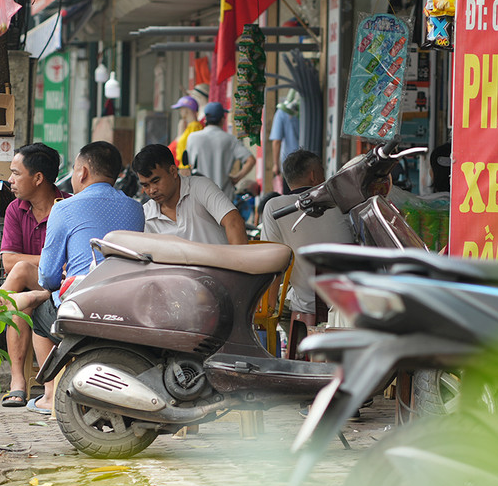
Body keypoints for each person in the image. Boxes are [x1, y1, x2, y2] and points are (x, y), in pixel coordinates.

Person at [31, 142, 144, 399]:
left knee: (39, 314)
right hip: (126, 307)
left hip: (81, 309)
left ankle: (50, 396)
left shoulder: (63, 207)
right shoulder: (136, 209)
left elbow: (47, 276)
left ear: (81, 173)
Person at [260, 149, 354, 346]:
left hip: (309, 306)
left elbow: (271, 263)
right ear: (314, 176)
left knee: (282, 309)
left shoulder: (275, 207)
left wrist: (268, 313)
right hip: (349, 300)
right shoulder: (341, 202)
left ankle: (299, 352)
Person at [0, 143, 65, 409]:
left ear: (38, 178)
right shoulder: (16, 209)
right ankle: (18, 383)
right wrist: (49, 261)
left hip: (61, 287)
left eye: (16, 173)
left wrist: (39, 264)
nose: (10, 180)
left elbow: (69, 264)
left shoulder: (67, 206)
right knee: (18, 302)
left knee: (22, 271)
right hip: (31, 286)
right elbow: (7, 261)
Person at [132, 144, 246, 245]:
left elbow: (234, 222)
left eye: (156, 181)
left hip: (219, 268)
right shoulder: (146, 215)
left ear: (173, 171)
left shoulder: (201, 187)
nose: (152, 190)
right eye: (145, 185)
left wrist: (239, 265)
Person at [184, 101, 254, 197]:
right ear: (222, 119)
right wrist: (237, 178)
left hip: (199, 196)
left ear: (205, 120)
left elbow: (188, 166)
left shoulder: (192, 138)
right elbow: (251, 160)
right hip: (223, 198)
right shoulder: (230, 140)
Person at [267, 91, 302, 194]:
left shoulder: (282, 112)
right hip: (308, 162)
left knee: (291, 198)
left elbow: (276, 141)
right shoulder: (307, 111)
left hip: (290, 164)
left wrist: (275, 165)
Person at [169, 94, 203, 167]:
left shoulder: (195, 127)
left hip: (188, 169)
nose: (180, 112)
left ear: (187, 109)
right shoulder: (189, 127)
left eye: (181, 109)